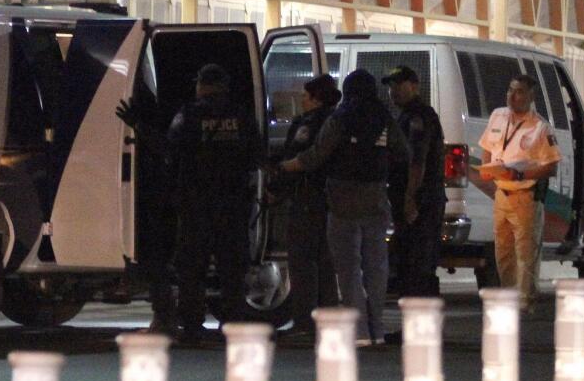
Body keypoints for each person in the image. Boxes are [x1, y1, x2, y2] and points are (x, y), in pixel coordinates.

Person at [281, 69, 407, 345]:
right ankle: (377, 330)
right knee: (377, 267)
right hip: (375, 196)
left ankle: (359, 332)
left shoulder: (341, 117)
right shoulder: (384, 117)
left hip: (342, 197)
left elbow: (317, 155)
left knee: (348, 267)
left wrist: (287, 166)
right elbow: (403, 153)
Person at [166, 63, 262, 344]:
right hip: (232, 203)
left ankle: (193, 327)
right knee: (232, 268)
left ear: (203, 86)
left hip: (196, 203)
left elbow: (171, 151)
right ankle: (233, 324)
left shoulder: (188, 114)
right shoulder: (242, 116)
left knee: (191, 268)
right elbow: (256, 155)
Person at [477, 74, 561, 313]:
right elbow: (486, 147)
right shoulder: (498, 116)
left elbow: (551, 166)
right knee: (502, 252)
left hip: (525, 196)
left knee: (526, 252)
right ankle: (509, 298)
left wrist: (522, 175)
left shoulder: (540, 128)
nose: (512, 97)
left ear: (531, 96)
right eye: (510, 90)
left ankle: (525, 302)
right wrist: (488, 170)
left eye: (520, 92)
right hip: (501, 194)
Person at [270, 73, 341, 340]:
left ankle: (304, 323)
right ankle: (328, 321)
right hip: (329, 200)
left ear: (315, 98)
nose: (301, 97)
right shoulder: (336, 120)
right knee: (326, 262)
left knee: (303, 263)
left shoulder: (310, 124)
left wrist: (275, 187)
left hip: (308, 199)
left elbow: (297, 160)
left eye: (306, 94)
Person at [115, 91, 178, 335]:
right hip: (161, 201)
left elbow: (167, 148)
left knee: (158, 262)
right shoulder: (171, 115)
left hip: (162, 203)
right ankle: (171, 318)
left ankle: (166, 319)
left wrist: (138, 126)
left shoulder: (172, 123)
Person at [383, 66, 446, 299]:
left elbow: (417, 161)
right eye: (391, 86)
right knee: (410, 265)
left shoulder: (419, 116)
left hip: (421, 201)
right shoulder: (406, 115)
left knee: (418, 265)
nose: (394, 91)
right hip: (415, 199)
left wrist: (410, 200)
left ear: (414, 86)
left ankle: (421, 327)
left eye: (399, 85)